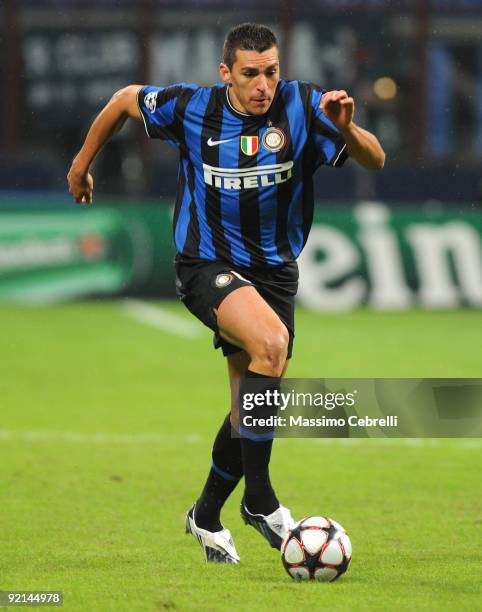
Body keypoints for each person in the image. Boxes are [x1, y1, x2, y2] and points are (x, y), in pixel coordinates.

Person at [68, 22, 385, 564]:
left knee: (249, 407)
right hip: (205, 263)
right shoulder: (192, 108)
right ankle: (260, 501)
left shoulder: (306, 106)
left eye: (271, 72)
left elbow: (375, 159)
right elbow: (124, 100)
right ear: (226, 74)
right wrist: (81, 165)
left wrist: (347, 130)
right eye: (250, 74)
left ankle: (207, 514)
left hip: (276, 271)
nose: (263, 84)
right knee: (271, 345)